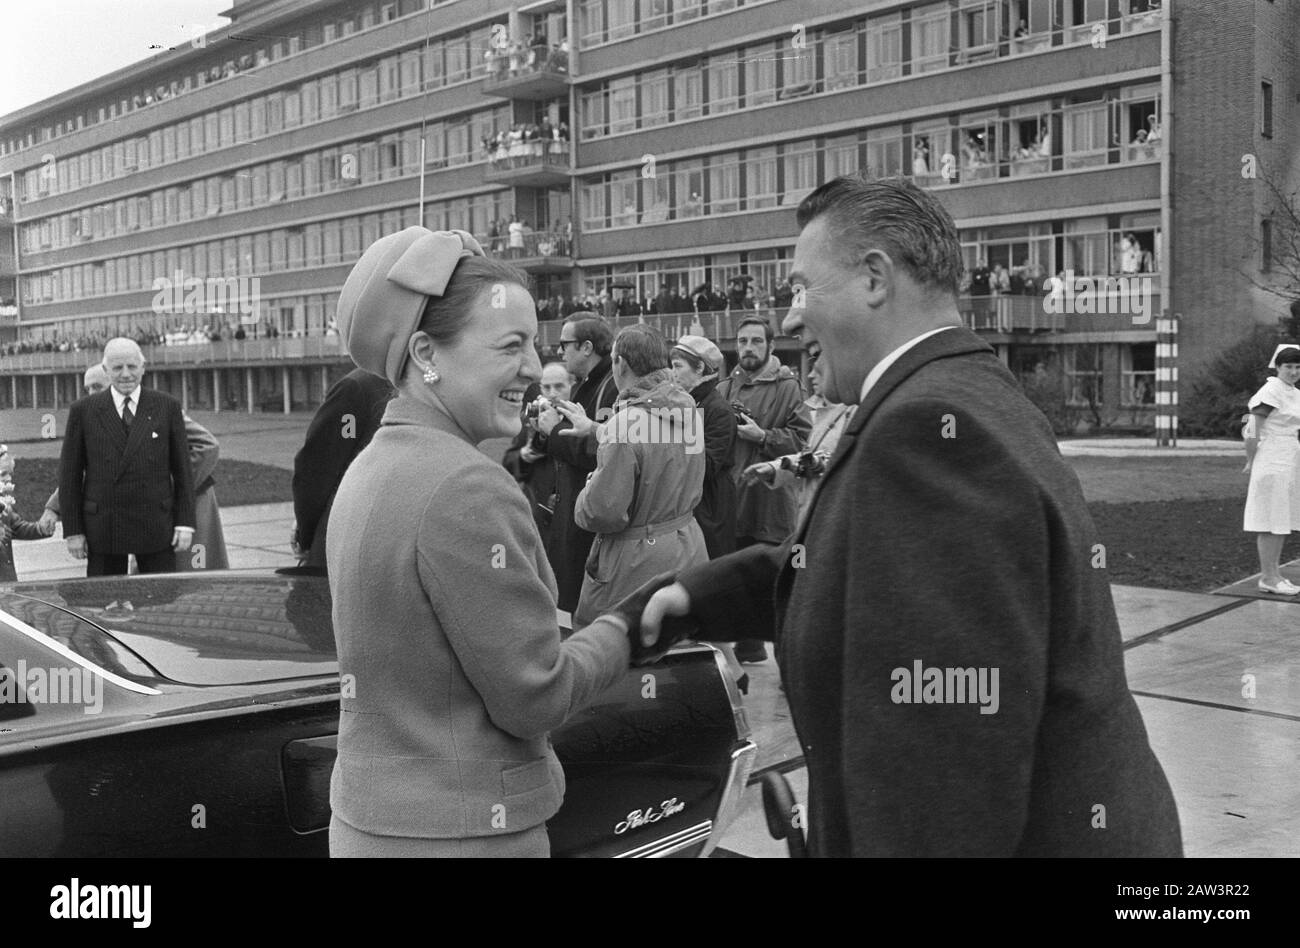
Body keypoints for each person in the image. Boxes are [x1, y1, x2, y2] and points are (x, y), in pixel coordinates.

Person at [632, 175, 1183, 857]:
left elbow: (939, 780)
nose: (792, 319)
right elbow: (865, 578)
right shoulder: (955, 390)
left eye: (803, 289)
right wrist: (700, 595)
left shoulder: (926, 428)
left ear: (873, 278)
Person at [326, 226, 641, 858]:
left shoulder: (370, 465)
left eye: (536, 344)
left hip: (375, 825)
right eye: (511, 345)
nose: (533, 367)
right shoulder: (468, 485)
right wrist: (631, 628)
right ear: (426, 354)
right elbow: (536, 697)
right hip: (465, 833)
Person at [572, 325, 707, 626]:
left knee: (619, 653)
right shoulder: (688, 410)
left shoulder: (626, 423)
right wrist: (596, 429)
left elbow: (602, 512)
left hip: (636, 564)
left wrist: (588, 489)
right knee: (682, 651)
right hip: (688, 546)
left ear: (621, 363)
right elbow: (654, 442)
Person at [43, 364, 228, 571]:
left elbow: (208, 446)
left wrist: (168, 485)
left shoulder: (159, 411)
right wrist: (54, 507)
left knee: (187, 575)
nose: (91, 394)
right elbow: (90, 472)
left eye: (96, 387)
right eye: (87, 389)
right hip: (131, 513)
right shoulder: (94, 415)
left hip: (187, 501)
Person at [58, 338, 195, 576]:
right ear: (105, 371)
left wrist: (185, 523)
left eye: (132, 367)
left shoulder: (167, 407)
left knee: (161, 602)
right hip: (104, 526)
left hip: (156, 523)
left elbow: (183, 471)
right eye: (117, 368)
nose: (125, 374)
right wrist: (73, 531)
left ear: (143, 368)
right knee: (104, 605)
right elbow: (69, 475)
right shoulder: (84, 411)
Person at [716, 315, 810, 662]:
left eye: (756, 341)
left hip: (771, 500)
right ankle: (749, 645)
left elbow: (804, 441)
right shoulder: (725, 388)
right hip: (734, 499)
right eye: (743, 341)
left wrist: (764, 437)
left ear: (771, 346)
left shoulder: (788, 386)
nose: (748, 348)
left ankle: (790, 658)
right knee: (737, 575)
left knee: (776, 581)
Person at [531, 315, 619, 614]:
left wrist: (553, 430)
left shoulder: (610, 387)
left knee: (583, 605)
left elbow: (600, 451)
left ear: (586, 347)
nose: (560, 351)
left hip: (590, 518)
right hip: (576, 508)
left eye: (564, 344)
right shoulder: (590, 383)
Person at [291, 367, 394, 572]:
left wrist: (305, 534)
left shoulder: (358, 388)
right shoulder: (366, 388)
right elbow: (339, 444)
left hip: (345, 542)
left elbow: (318, 469)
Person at [741, 356, 855, 528]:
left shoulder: (854, 414)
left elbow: (835, 463)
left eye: (818, 370)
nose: (810, 375)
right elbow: (810, 459)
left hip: (830, 523)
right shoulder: (822, 412)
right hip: (809, 520)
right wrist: (776, 468)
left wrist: (764, 438)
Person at [670, 335, 736, 559]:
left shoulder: (719, 410)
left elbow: (706, 466)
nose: (673, 373)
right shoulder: (692, 404)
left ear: (699, 368)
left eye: (678, 366)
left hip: (711, 508)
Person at [1242, 344, 1300, 595]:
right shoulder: (1271, 390)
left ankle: (1274, 574)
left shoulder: (1293, 392)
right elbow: (1252, 427)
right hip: (1272, 458)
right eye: (1288, 367)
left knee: (1281, 518)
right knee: (1270, 519)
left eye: (1298, 367)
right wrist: (1250, 458)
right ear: (1277, 367)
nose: (1294, 372)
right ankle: (1267, 577)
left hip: (1288, 457)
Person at [502, 361, 570, 537]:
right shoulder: (531, 420)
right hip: (536, 519)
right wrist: (523, 456)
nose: (553, 393)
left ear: (571, 385)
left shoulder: (580, 421)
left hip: (569, 519)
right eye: (547, 388)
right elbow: (509, 467)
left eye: (559, 386)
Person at [0, 443, 53, 583]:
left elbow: (18, 527)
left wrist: (41, 528)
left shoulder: (5, 507)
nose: (8, 479)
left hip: (7, 583)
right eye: (3, 474)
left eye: (10, 474)